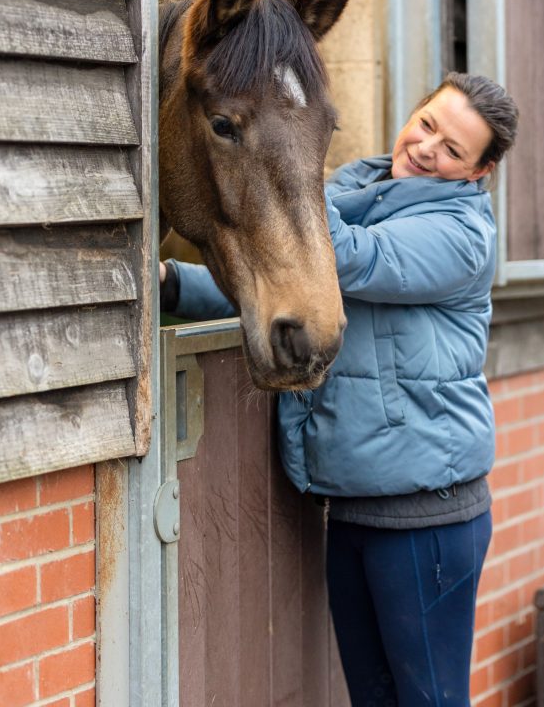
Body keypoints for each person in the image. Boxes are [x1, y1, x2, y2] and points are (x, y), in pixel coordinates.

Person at [160, 71, 518, 707]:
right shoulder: (353, 187)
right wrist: (173, 284)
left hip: (425, 517)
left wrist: (278, 162)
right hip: (354, 502)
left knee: (430, 700)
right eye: (427, 124)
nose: (426, 147)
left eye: (452, 149)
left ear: (478, 171)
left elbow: (350, 258)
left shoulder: (462, 235)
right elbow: (289, 281)